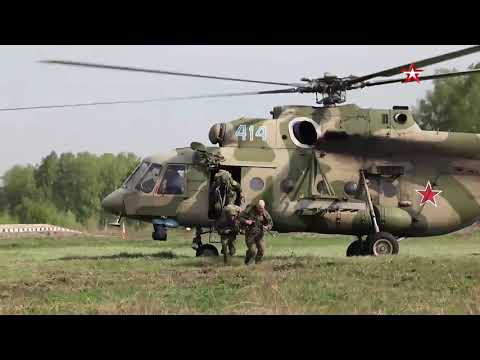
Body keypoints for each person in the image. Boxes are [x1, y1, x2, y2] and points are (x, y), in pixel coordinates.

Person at [239, 199, 273, 265]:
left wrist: (267, 227)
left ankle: (258, 264)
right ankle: (247, 263)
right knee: (252, 251)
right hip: (250, 234)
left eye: (262, 208)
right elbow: (240, 217)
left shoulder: (264, 212)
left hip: (260, 234)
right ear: (257, 206)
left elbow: (270, 223)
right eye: (259, 208)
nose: (261, 210)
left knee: (262, 250)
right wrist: (246, 221)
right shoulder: (249, 210)